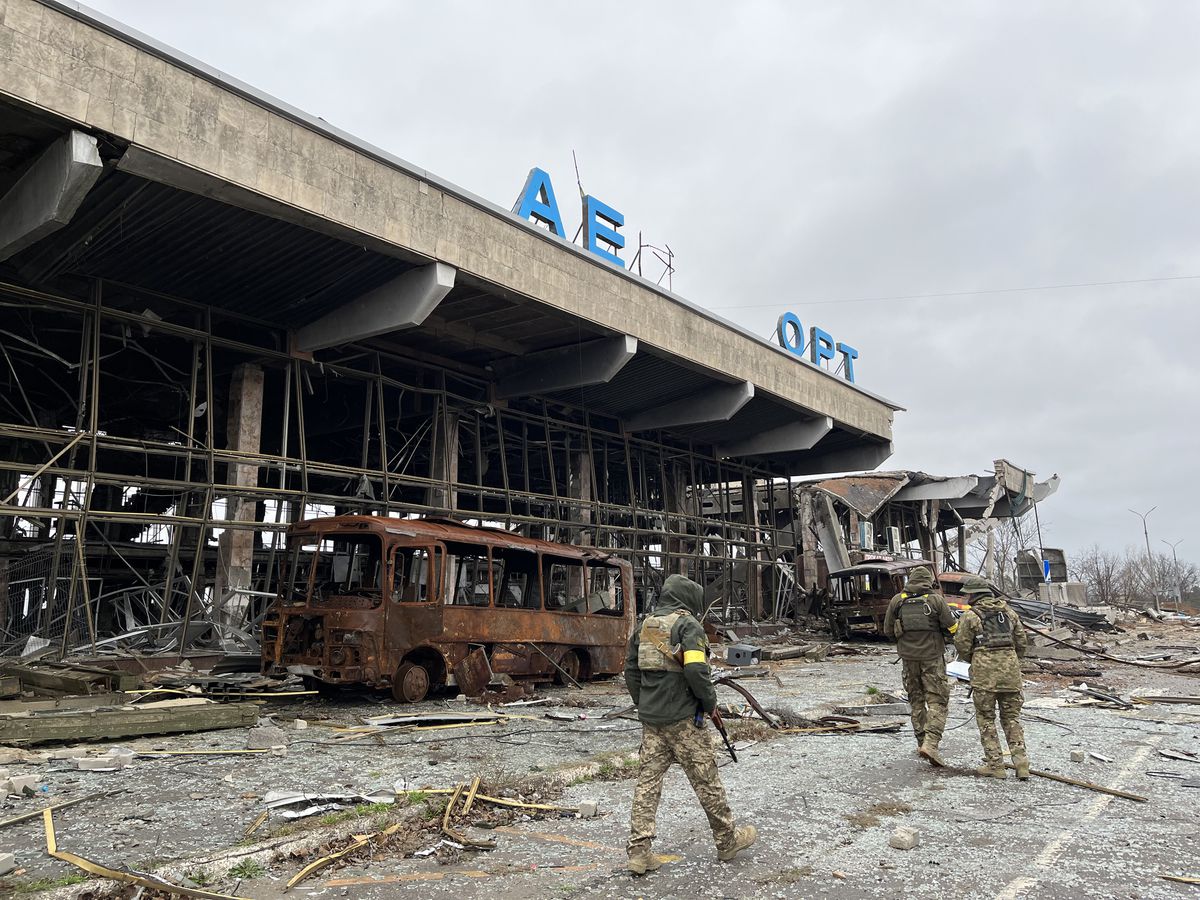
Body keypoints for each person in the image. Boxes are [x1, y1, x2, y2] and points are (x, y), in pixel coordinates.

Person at [624, 573, 756, 875]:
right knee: (707, 782)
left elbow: (630, 670)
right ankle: (727, 842)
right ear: (690, 600)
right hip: (684, 721)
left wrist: (643, 703)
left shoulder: (643, 627)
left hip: (652, 721)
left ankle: (639, 852)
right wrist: (710, 705)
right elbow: (697, 670)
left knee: (647, 785)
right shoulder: (688, 626)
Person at [953, 575, 1030, 779]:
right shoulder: (1010, 613)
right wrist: (1009, 659)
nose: (965, 597)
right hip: (1011, 674)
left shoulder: (970, 617)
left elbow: (961, 646)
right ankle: (1021, 764)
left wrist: (978, 657)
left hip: (984, 676)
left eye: (967, 594)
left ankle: (996, 765)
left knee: (986, 719)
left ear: (975, 595)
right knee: (1012, 718)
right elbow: (1022, 644)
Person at [882, 566, 954, 766]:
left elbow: (887, 630)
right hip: (932, 657)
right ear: (928, 581)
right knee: (938, 701)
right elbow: (952, 626)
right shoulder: (936, 600)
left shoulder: (897, 600)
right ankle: (931, 744)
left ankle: (921, 741)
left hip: (908, 658)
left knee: (916, 700)